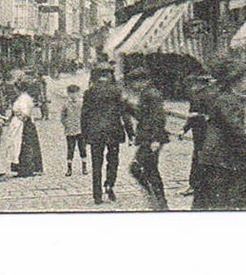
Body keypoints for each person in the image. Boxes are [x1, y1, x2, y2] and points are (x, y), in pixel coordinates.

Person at [196, 56, 246, 210]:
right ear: (236, 80)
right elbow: (234, 129)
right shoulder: (229, 100)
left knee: (216, 200)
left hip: (215, 156)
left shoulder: (220, 96)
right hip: (225, 158)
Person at [81, 64, 132, 204]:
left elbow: (84, 115)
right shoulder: (116, 91)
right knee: (113, 161)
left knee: (96, 164)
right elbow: (124, 114)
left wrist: (84, 135)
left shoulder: (89, 92)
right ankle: (109, 185)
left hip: (95, 133)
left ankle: (97, 195)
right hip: (113, 132)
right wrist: (130, 133)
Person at [127, 67, 169, 210]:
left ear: (142, 81)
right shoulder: (147, 93)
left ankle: (158, 201)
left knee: (139, 168)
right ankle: (158, 201)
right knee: (149, 170)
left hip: (152, 139)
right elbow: (141, 115)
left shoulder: (151, 94)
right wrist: (128, 106)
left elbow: (159, 117)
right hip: (148, 138)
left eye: (134, 83)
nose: (132, 86)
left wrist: (156, 139)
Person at [181, 72, 213, 198]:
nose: (193, 86)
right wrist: (184, 129)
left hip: (203, 132)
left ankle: (196, 185)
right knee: (201, 158)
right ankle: (199, 185)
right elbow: (191, 116)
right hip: (202, 131)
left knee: (199, 159)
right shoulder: (203, 95)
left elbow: (196, 116)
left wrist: (185, 129)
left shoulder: (204, 96)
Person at [3, 78, 43, 176]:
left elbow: (25, 113)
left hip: (24, 125)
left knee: (24, 145)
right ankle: (22, 167)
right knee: (19, 145)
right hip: (20, 123)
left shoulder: (24, 98)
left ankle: (27, 169)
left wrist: (18, 117)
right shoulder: (21, 97)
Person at [61, 82, 87, 177]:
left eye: (74, 93)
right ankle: (69, 168)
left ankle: (84, 167)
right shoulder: (66, 104)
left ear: (78, 93)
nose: (72, 95)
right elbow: (62, 117)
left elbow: (85, 115)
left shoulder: (82, 103)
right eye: (70, 93)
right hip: (70, 131)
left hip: (81, 130)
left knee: (82, 148)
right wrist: (66, 125)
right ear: (68, 94)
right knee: (70, 149)